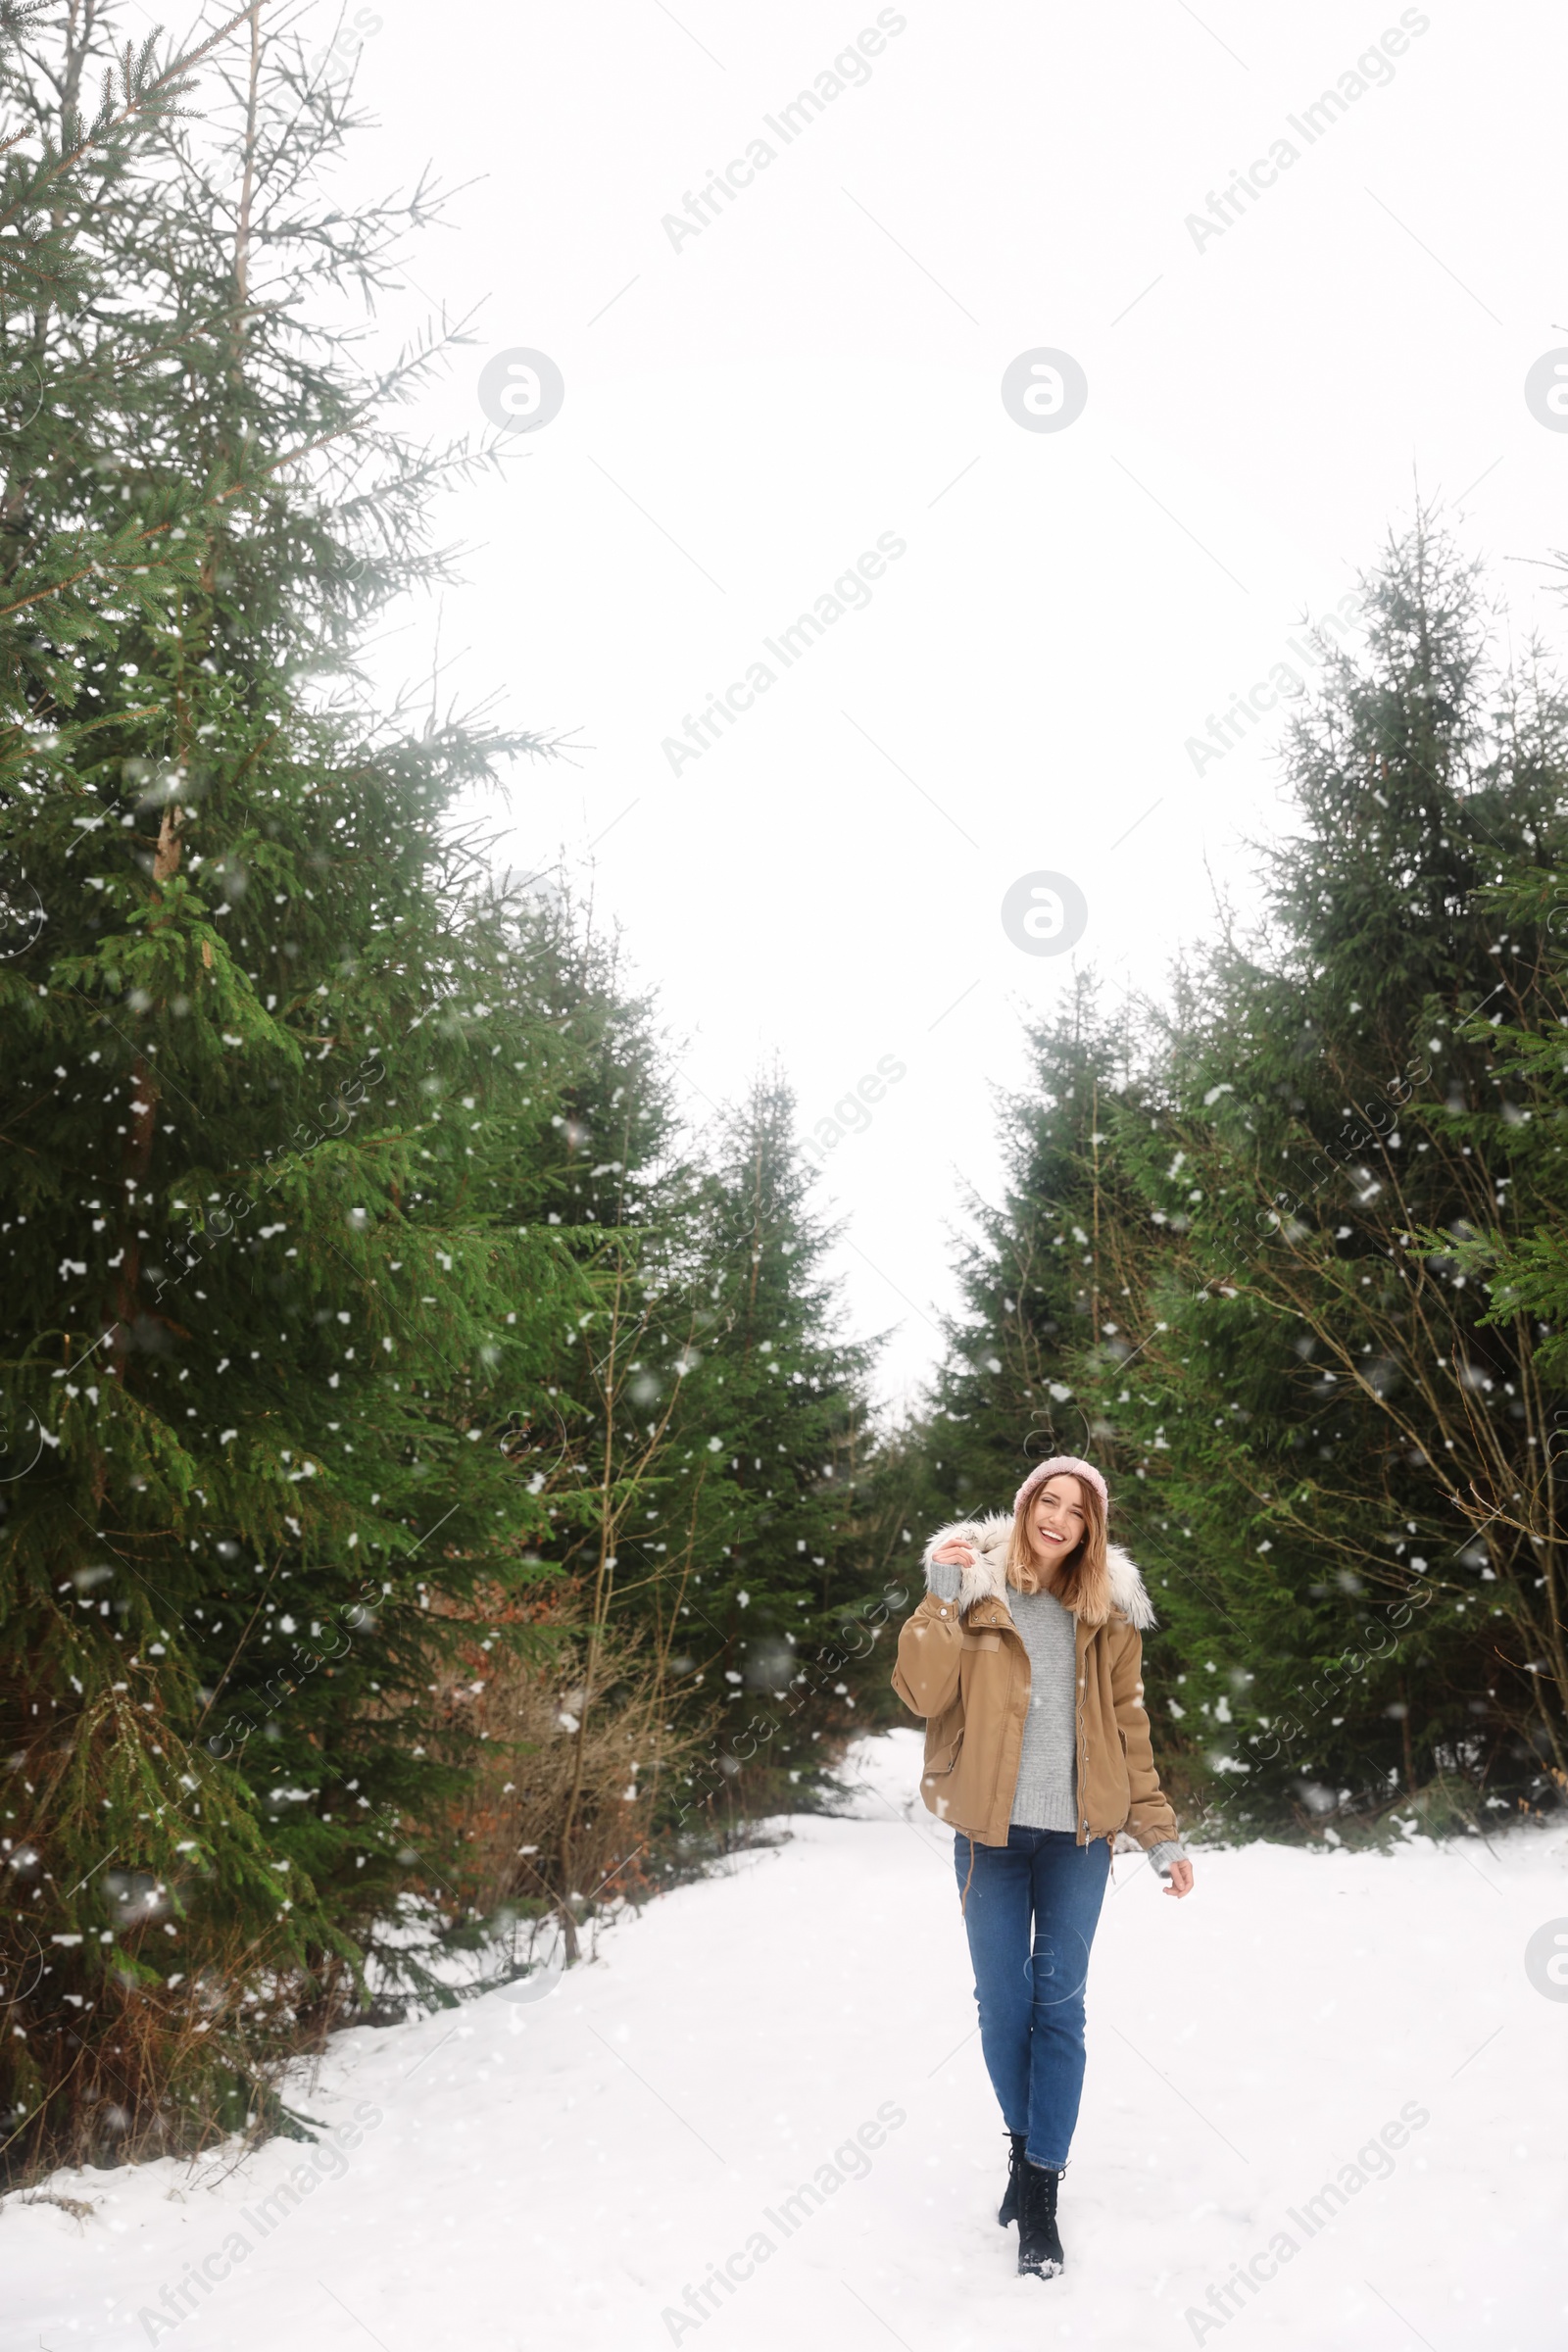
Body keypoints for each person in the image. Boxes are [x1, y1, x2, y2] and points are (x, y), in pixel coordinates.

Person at [892, 1455, 1194, 2280]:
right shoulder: (972, 1590)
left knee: (1060, 2009)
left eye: (1077, 1509)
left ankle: (1040, 2192)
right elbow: (920, 1693)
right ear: (1024, 1507)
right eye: (1047, 1501)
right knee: (1002, 2006)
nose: (1059, 1517)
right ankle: (1026, 2148)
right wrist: (938, 1598)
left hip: (1079, 1843)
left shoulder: (1109, 1615)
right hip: (988, 1835)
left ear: (1092, 1528)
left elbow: (1129, 1727)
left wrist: (1157, 1831)